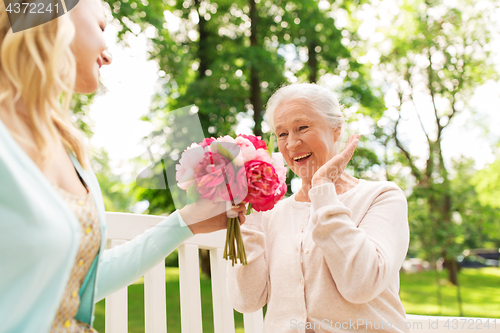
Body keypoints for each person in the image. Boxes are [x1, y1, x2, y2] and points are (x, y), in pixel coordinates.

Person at [0, 0, 246, 332]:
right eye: (101, 27)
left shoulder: (69, 148)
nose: (108, 53)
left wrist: (185, 222)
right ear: (55, 11)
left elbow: (78, 284)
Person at [227, 83, 410, 333]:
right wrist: (253, 211)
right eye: (281, 134)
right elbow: (246, 301)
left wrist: (323, 187)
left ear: (336, 130)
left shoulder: (382, 196)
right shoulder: (271, 215)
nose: (291, 144)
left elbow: (362, 284)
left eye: (302, 127)